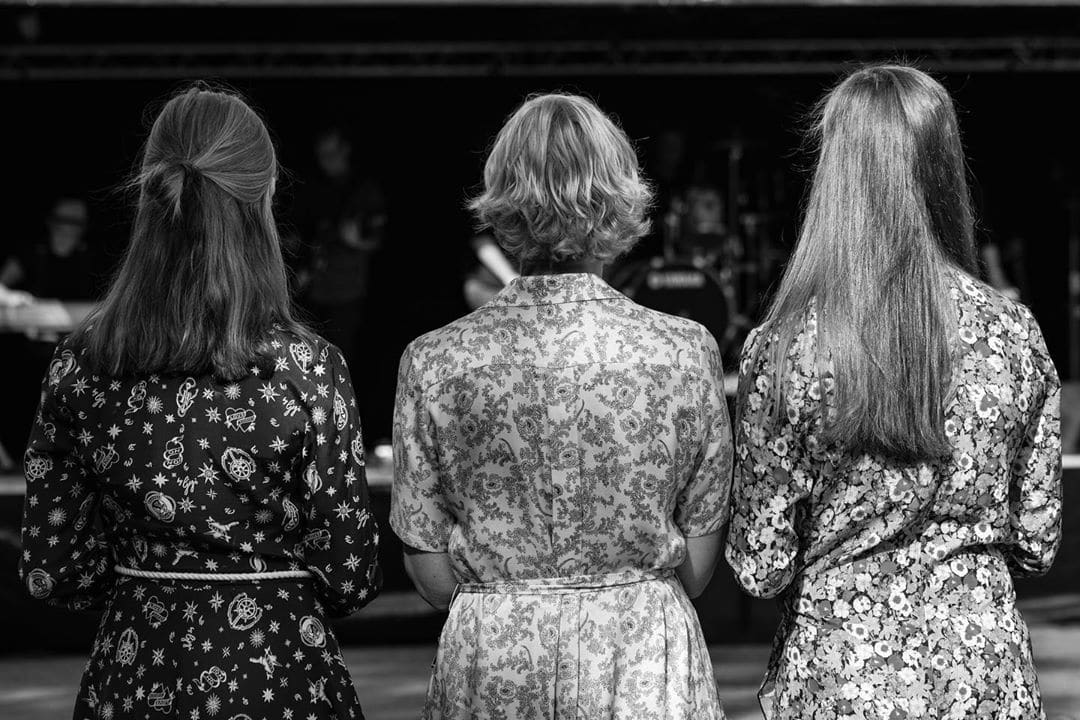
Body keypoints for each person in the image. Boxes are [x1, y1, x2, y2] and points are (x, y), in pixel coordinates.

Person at [18, 85, 381, 720]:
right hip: (281, 679)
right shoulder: (308, 369)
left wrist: (151, 583)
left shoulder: (83, 364)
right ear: (262, 199)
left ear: (148, 198)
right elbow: (350, 574)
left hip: (132, 679)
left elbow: (55, 569)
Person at [725, 65, 1061, 719]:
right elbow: (1038, 540)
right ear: (943, 166)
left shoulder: (786, 343)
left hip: (839, 671)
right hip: (980, 671)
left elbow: (760, 563)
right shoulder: (1012, 333)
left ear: (836, 174)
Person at [392, 93, 732, 719]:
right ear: (618, 194)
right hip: (640, 657)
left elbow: (430, 570)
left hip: (494, 656)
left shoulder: (435, 360)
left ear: (503, 198)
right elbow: (700, 562)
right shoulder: (683, 351)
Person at [289, 126, 387, 382]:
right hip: (310, 290)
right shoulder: (313, 188)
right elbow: (301, 236)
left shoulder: (363, 189)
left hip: (347, 291)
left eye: (332, 152)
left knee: (340, 365)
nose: (327, 160)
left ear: (345, 149)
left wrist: (353, 238)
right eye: (322, 154)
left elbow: (376, 239)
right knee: (306, 365)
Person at [0, 196, 109, 300]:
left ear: (85, 227)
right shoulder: (30, 252)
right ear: (50, 222)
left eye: (75, 223)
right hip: (36, 317)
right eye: (61, 220)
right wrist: (9, 297)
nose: (67, 229)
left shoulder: (95, 257)